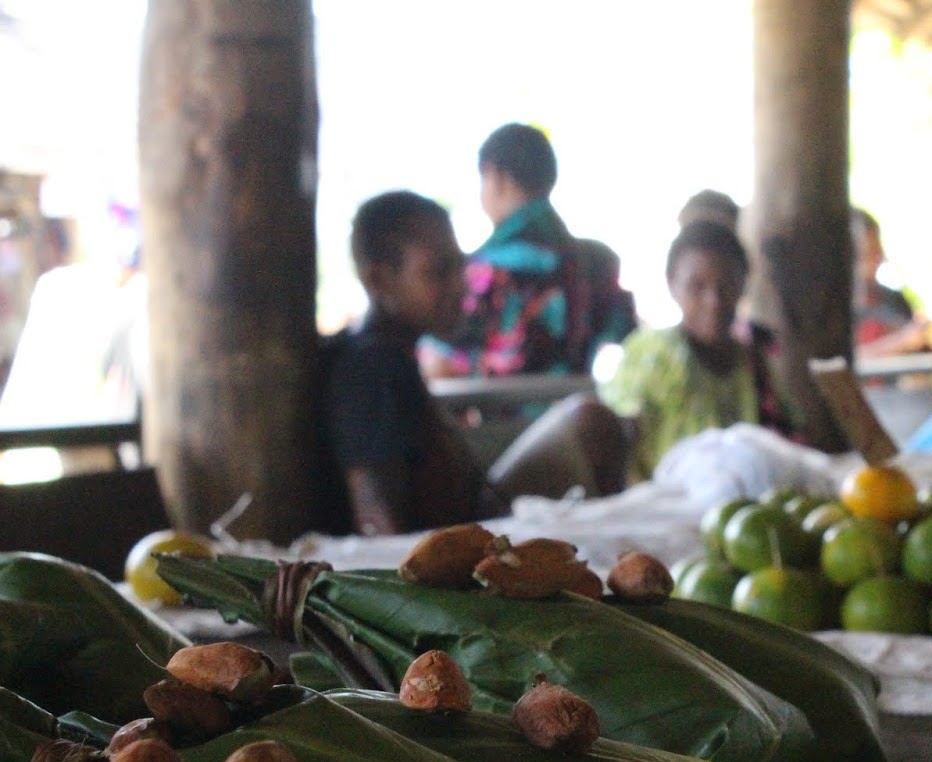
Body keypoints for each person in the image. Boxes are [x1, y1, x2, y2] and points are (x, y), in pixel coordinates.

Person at [322, 191, 626, 535]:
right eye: (439, 272)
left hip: (481, 518)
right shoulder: (371, 369)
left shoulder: (394, 356)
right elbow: (380, 528)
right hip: (454, 544)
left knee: (590, 421)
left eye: (459, 266)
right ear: (379, 280)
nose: (460, 285)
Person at [421, 123, 636, 379]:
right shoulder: (600, 261)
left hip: (500, 415)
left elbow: (444, 362)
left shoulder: (484, 270)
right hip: (581, 412)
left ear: (495, 177)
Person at [599, 221, 799, 482]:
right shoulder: (652, 355)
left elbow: (787, 438)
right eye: (697, 286)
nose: (714, 301)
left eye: (726, 286)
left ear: (743, 285)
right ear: (672, 285)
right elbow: (619, 432)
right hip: (665, 504)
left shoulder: (754, 363)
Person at [852, 207, 927, 358]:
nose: (879, 259)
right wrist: (900, 343)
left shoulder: (894, 300)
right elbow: (840, 361)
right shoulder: (832, 311)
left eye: (878, 250)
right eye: (869, 253)